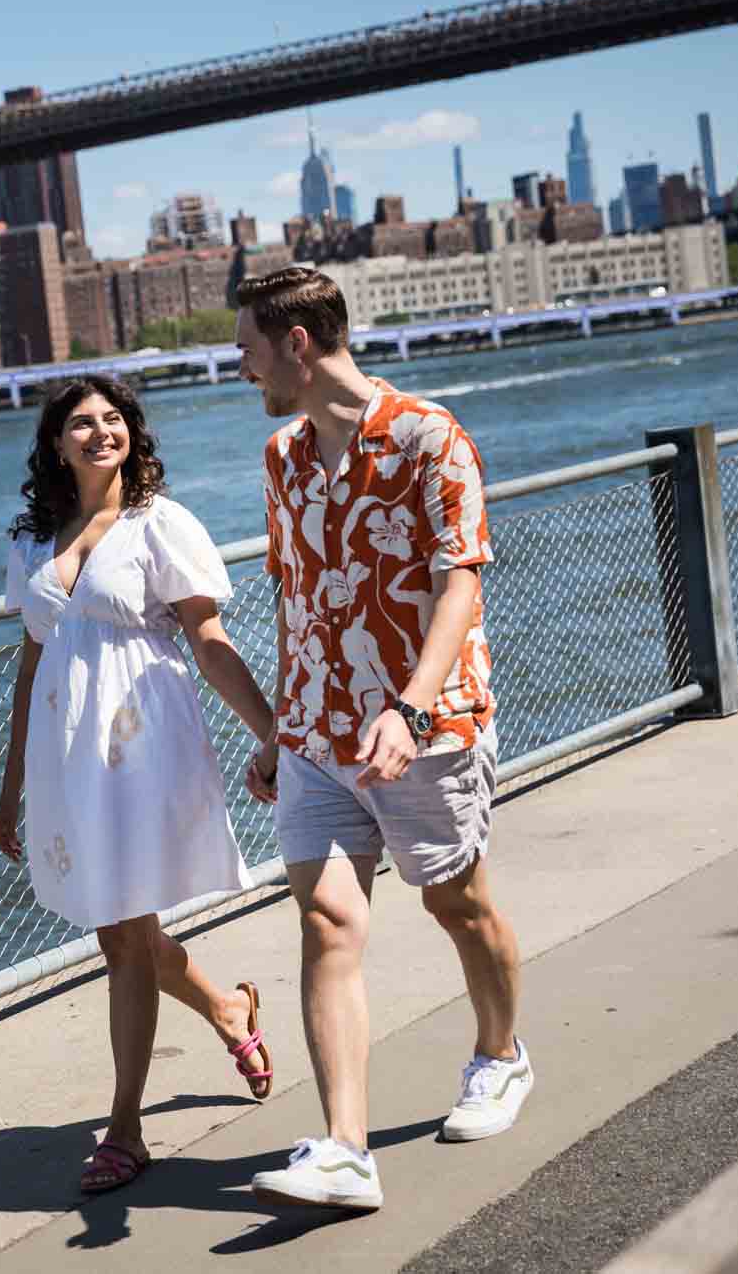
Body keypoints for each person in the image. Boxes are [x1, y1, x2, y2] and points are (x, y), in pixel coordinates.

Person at [233, 267, 529, 1213]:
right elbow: (297, 601)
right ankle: (346, 1150)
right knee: (326, 923)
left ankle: (502, 1053)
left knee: (458, 903)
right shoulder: (281, 456)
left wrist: (405, 706)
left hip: (424, 725)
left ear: (298, 345)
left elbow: (461, 587)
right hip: (318, 733)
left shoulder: (427, 437)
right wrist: (283, 725)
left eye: (246, 347)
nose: (241, 368)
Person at [0, 374, 278, 1196]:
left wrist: (273, 731)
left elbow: (210, 640)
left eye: (113, 419)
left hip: (141, 742)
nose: (100, 432)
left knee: (122, 932)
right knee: (125, 932)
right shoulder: (34, 540)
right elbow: (33, 659)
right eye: (81, 422)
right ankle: (228, 1009)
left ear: (132, 433)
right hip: (65, 749)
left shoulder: (160, 524)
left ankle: (125, 1128)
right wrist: (9, 784)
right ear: (55, 443)